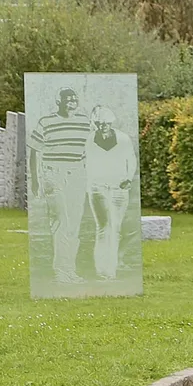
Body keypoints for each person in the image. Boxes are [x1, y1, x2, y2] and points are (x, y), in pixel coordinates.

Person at [30, 87, 89, 284]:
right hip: (53, 174)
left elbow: (90, 149)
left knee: (73, 224)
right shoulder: (46, 122)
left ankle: (69, 270)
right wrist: (36, 180)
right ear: (59, 102)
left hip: (77, 174)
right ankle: (60, 271)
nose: (71, 102)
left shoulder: (84, 122)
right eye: (67, 99)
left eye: (74, 99)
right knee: (61, 221)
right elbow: (34, 151)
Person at [86, 105, 135, 279]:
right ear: (95, 124)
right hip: (97, 188)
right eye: (99, 123)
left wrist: (128, 178)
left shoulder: (123, 139)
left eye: (106, 123)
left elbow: (131, 159)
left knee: (116, 227)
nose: (103, 126)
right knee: (104, 226)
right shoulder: (89, 140)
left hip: (119, 188)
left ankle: (111, 268)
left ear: (111, 122)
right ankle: (102, 268)